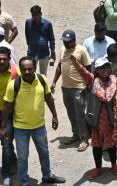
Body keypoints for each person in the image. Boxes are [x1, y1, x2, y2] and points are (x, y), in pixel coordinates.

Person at [0, 57, 66, 186]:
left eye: (30, 69)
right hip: (20, 128)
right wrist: (3, 126)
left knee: (44, 152)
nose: (27, 72)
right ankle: (24, 182)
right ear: (20, 69)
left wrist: (55, 115)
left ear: (35, 68)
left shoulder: (42, 80)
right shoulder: (13, 84)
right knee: (22, 158)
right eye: (24, 69)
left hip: (39, 126)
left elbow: (49, 98)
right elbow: (7, 106)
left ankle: (47, 176)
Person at [71, 56, 117, 179]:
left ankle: (114, 165)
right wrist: (76, 63)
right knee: (97, 145)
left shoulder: (114, 80)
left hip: (111, 119)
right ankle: (98, 169)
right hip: (95, 119)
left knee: (112, 144)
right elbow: (83, 71)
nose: (105, 70)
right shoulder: (92, 80)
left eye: (107, 67)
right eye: (102, 68)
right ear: (97, 70)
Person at [51, 30, 91, 152]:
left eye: (68, 41)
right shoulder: (63, 49)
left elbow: (88, 68)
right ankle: (75, 134)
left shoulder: (81, 50)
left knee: (80, 114)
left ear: (74, 40)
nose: (66, 43)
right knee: (71, 113)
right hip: (66, 88)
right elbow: (59, 66)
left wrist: (87, 85)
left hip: (79, 88)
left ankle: (84, 138)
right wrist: (54, 82)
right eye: (64, 41)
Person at [0, 47, 18, 186]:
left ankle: (5, 174)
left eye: (4, 59)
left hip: (8, 113)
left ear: (9, 57)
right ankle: (13, 161)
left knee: (6, 143)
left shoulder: (15, 73)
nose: (1, 61)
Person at [25, 5, 56, 75]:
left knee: (43, 74)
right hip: (32, 52)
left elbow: (51, 38)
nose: (34, 17)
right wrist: (30, 45)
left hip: (44, 53)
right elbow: (27, 35)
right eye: (33, 15)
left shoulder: (47, 24)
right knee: (30, 73)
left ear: (40, 14)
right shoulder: (28, 22)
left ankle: (43, 86)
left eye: (36, 15)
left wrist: (53, 51)